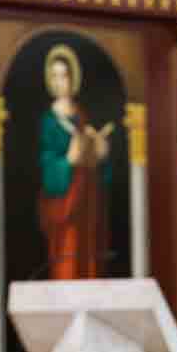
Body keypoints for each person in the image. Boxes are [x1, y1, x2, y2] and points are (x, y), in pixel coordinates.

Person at [35, 45, 113, 279]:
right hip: (63, 202)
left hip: (87, 197)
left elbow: (99, 165)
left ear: (73, 78)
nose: (60, 82)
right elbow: (46, 164)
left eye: (64, 75)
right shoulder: (49, 120)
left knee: (89, 253)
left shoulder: (81, 114)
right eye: (55, 76)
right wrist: (67, 160)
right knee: (67, 255)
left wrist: (100, 152)